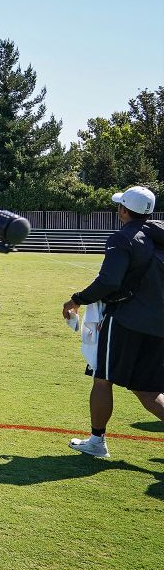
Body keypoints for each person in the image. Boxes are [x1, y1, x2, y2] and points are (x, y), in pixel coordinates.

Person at [63, 186, 164, 458]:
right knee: (148, 390)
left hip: (126, 320)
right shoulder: (158, 234)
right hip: (158, 324)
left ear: (123, 209)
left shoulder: (122, 238)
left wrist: (76, 299)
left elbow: (109, 281)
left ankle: (97, 441)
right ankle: (96, 441)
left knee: (102, 379)